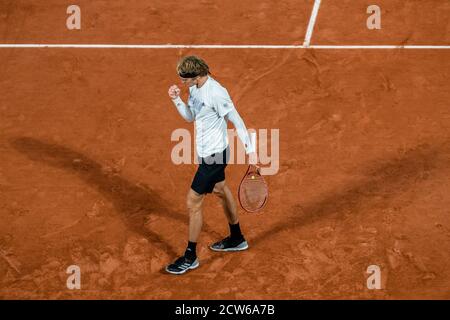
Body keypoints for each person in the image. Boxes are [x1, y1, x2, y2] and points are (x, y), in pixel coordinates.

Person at [166, 55, 258, 275]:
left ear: (196, 75)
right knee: (220, 189)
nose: (181, 82)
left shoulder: (216, 92)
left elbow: (238, 120)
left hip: (215, 157)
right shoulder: (195, 88)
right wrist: (177, 99)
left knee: (193, 202)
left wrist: (251, 151)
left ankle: (190, 256)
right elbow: (190, 117)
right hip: (206, 154)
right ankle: (237, 238)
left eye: (183, 79)